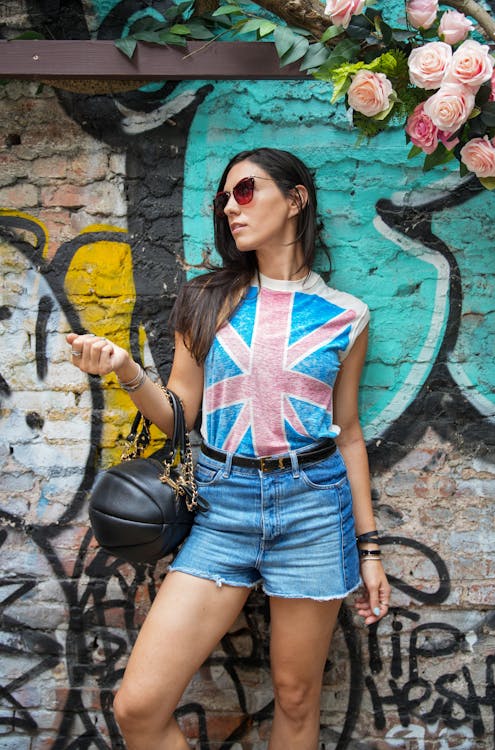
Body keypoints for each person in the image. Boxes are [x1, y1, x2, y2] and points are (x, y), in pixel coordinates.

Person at [67, 147, 391, 750]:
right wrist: (129, 371)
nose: (230, 208)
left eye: (245, 191)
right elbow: (178, 416)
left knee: (297, 700)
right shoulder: (207, 299)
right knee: (138, 707)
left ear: (295, 200)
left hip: (314, 509)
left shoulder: (348, 315)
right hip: (221, 507)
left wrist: (369, 549)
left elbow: (347, 432)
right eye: (224, 198)